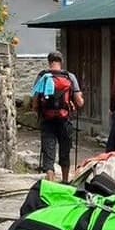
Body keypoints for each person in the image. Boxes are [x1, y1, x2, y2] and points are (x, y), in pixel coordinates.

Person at [32, 51, 83, 182]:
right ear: (62, 62)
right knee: (65, 152)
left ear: (49, 62)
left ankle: (50, 183)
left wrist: (38, 111)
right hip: (65, 120)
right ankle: (65, 182)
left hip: (47, 120)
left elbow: (35, 102)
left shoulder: (42, 76)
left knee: (48, 153)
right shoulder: (69, 76)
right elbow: (79, 102)